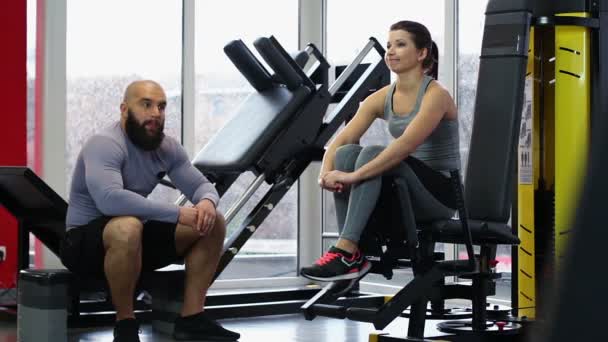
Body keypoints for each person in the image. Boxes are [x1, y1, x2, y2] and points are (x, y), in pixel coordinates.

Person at [60, 80, 240, 342]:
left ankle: (191, 319)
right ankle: (126, 326)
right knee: (128, 225)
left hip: (134, 239)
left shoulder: (167, 148)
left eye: (161, 106)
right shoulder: (105, 144)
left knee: (213, 222)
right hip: (83, 244)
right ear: (124, 109)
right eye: (146, 104)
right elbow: (110, 200)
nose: (156, 113)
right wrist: (178, 213)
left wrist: (206, 203)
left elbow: (202, 185)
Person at [300, 21, 460, 282]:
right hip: (405, 192)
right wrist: (327, 173)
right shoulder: (383, 97)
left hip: (440, 195)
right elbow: (341, 140)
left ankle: (347, 250)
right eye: (388, 45)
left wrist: (351, 177)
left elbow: (405, 146)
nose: (390, 51)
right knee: (346, 154)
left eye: (400, 44)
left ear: (421, 53)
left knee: (373, 152)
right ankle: (351, 251)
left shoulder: (436, 95)